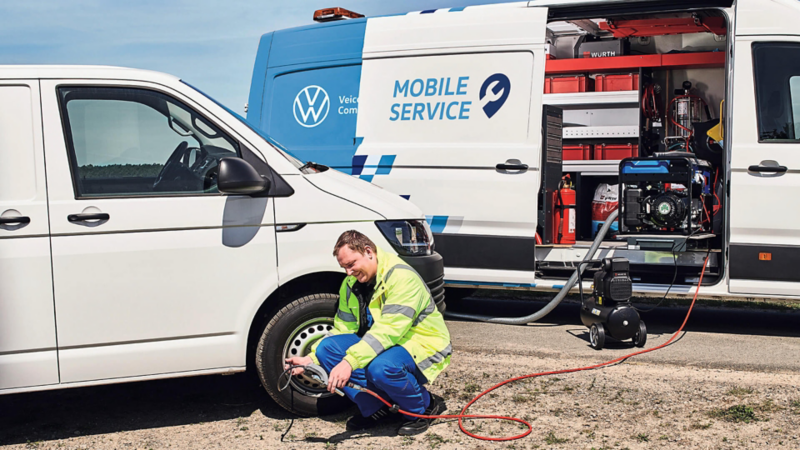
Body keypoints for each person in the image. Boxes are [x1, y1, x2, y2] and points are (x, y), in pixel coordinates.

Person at [285, 230, 451, 435]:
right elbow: (342, 330)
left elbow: (389, 331)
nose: (348, 272)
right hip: (388, 343)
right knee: (327, 349)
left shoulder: (401, 277)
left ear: (368, 251)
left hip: (422, 344)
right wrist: (312, 359)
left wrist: (349, 362)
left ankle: (422, 407)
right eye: (344, 267)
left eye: (351, 264)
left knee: (381, 368)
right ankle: (378, 408)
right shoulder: (351, 285)